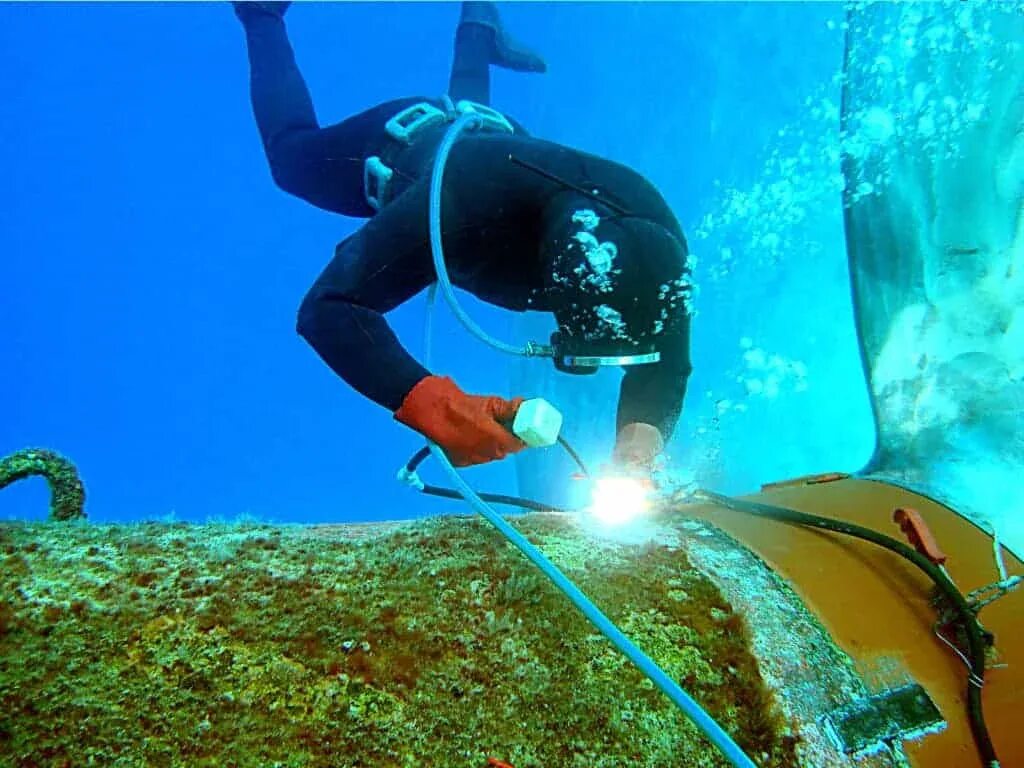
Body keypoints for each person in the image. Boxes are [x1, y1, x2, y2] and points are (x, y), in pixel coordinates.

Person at [232, 1, 694, 479]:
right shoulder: (459, 214)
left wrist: (635, 461)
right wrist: (440, 407)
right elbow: (326, 308)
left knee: (477, 130)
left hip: (498, 143)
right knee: (290, 162)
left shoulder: (661, 268)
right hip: (407, 149)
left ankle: (478, 28)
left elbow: (665, 365)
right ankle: (261, 14)